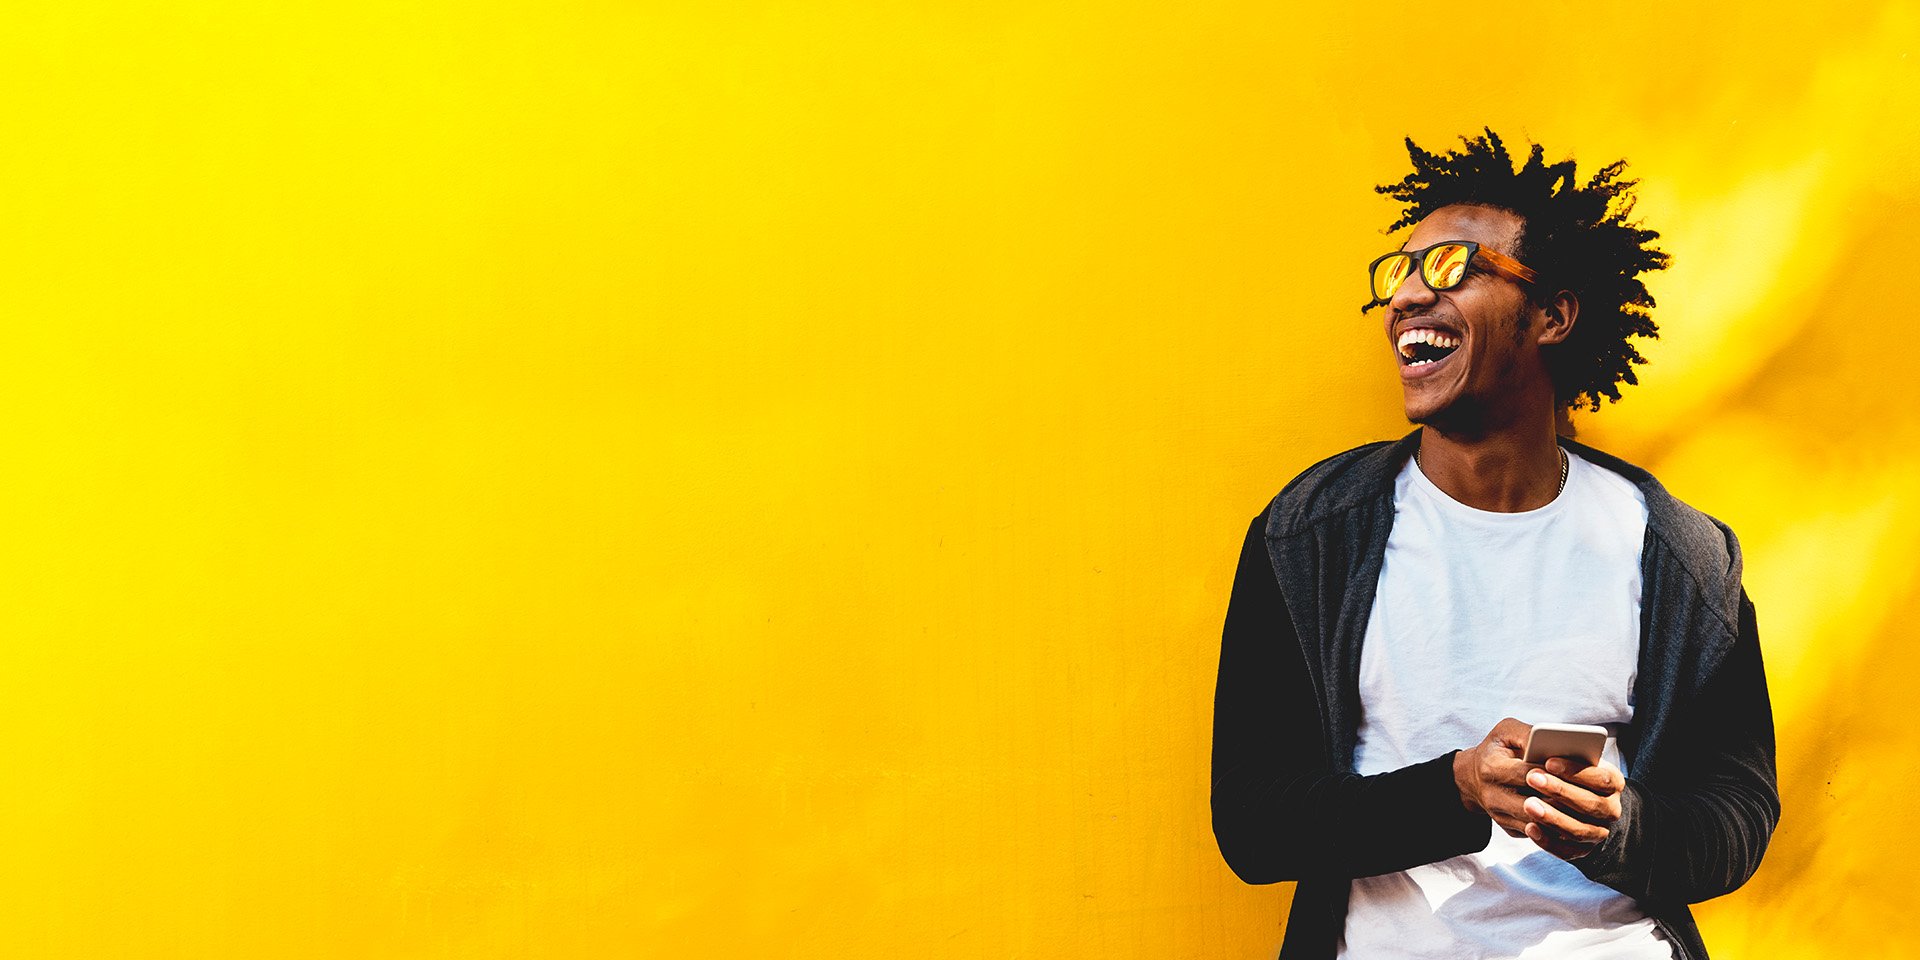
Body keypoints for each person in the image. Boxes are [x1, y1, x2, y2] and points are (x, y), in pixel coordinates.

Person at [1209, 130, 1779, 960]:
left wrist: (1621, 829)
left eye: (1450, 268)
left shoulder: (1679, 554)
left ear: (1553, 316)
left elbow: (1737, 815)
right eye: (1398, 273)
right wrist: (1454, 790)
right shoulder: (1309, 537)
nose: (1406, 296)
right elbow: (1255, 824)